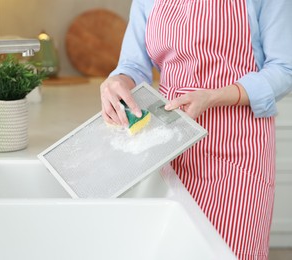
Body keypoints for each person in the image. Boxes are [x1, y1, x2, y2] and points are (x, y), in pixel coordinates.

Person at [100, 0, 292, 259]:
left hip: (238, 147)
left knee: (231, 251)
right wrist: (117, 81)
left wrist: (214, 96)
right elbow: (134, 66)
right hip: (170, 142)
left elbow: (285, 68)